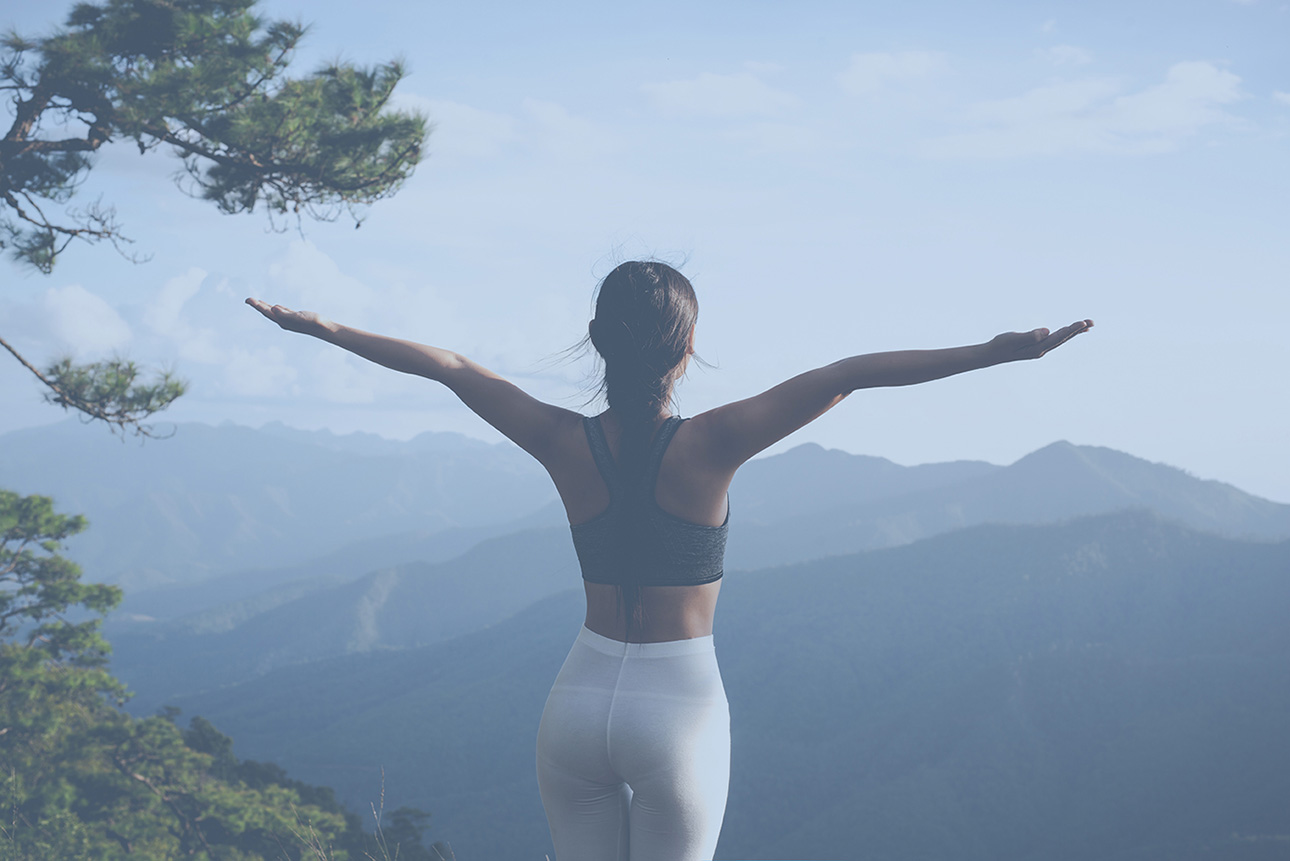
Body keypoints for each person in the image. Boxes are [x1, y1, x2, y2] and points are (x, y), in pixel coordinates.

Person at [247, 261, 1092, 861]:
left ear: (595, 340)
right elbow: (851, 374)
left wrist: (322, 327)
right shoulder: (716, 440)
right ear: (687, 347)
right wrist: (997, 351)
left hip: (574, 701)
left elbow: (453, 370)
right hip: (678, 707)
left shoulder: (557, 438)